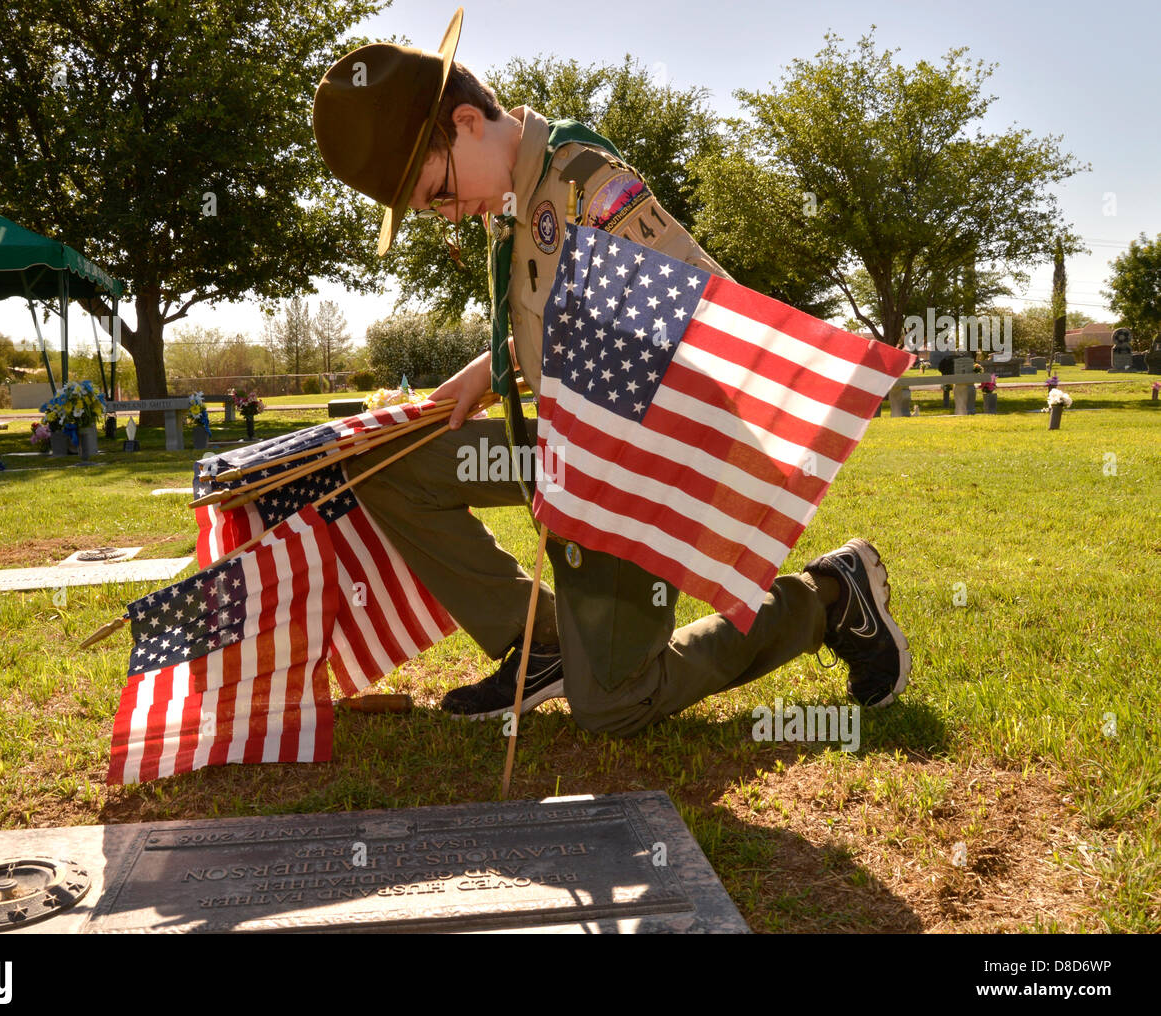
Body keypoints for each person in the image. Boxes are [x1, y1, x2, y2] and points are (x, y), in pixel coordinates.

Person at [312, 8, 910, 736]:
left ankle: (827, 599)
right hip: (561, 452)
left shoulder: (584, 181)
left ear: (466, 121)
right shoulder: (506, 198)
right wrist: (491, 366)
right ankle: (542, 644)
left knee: (616, 705)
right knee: (381, 460)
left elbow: (694, 317)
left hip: (629, 464)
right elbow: (554, 318)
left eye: (436, 192)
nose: (443, 214)